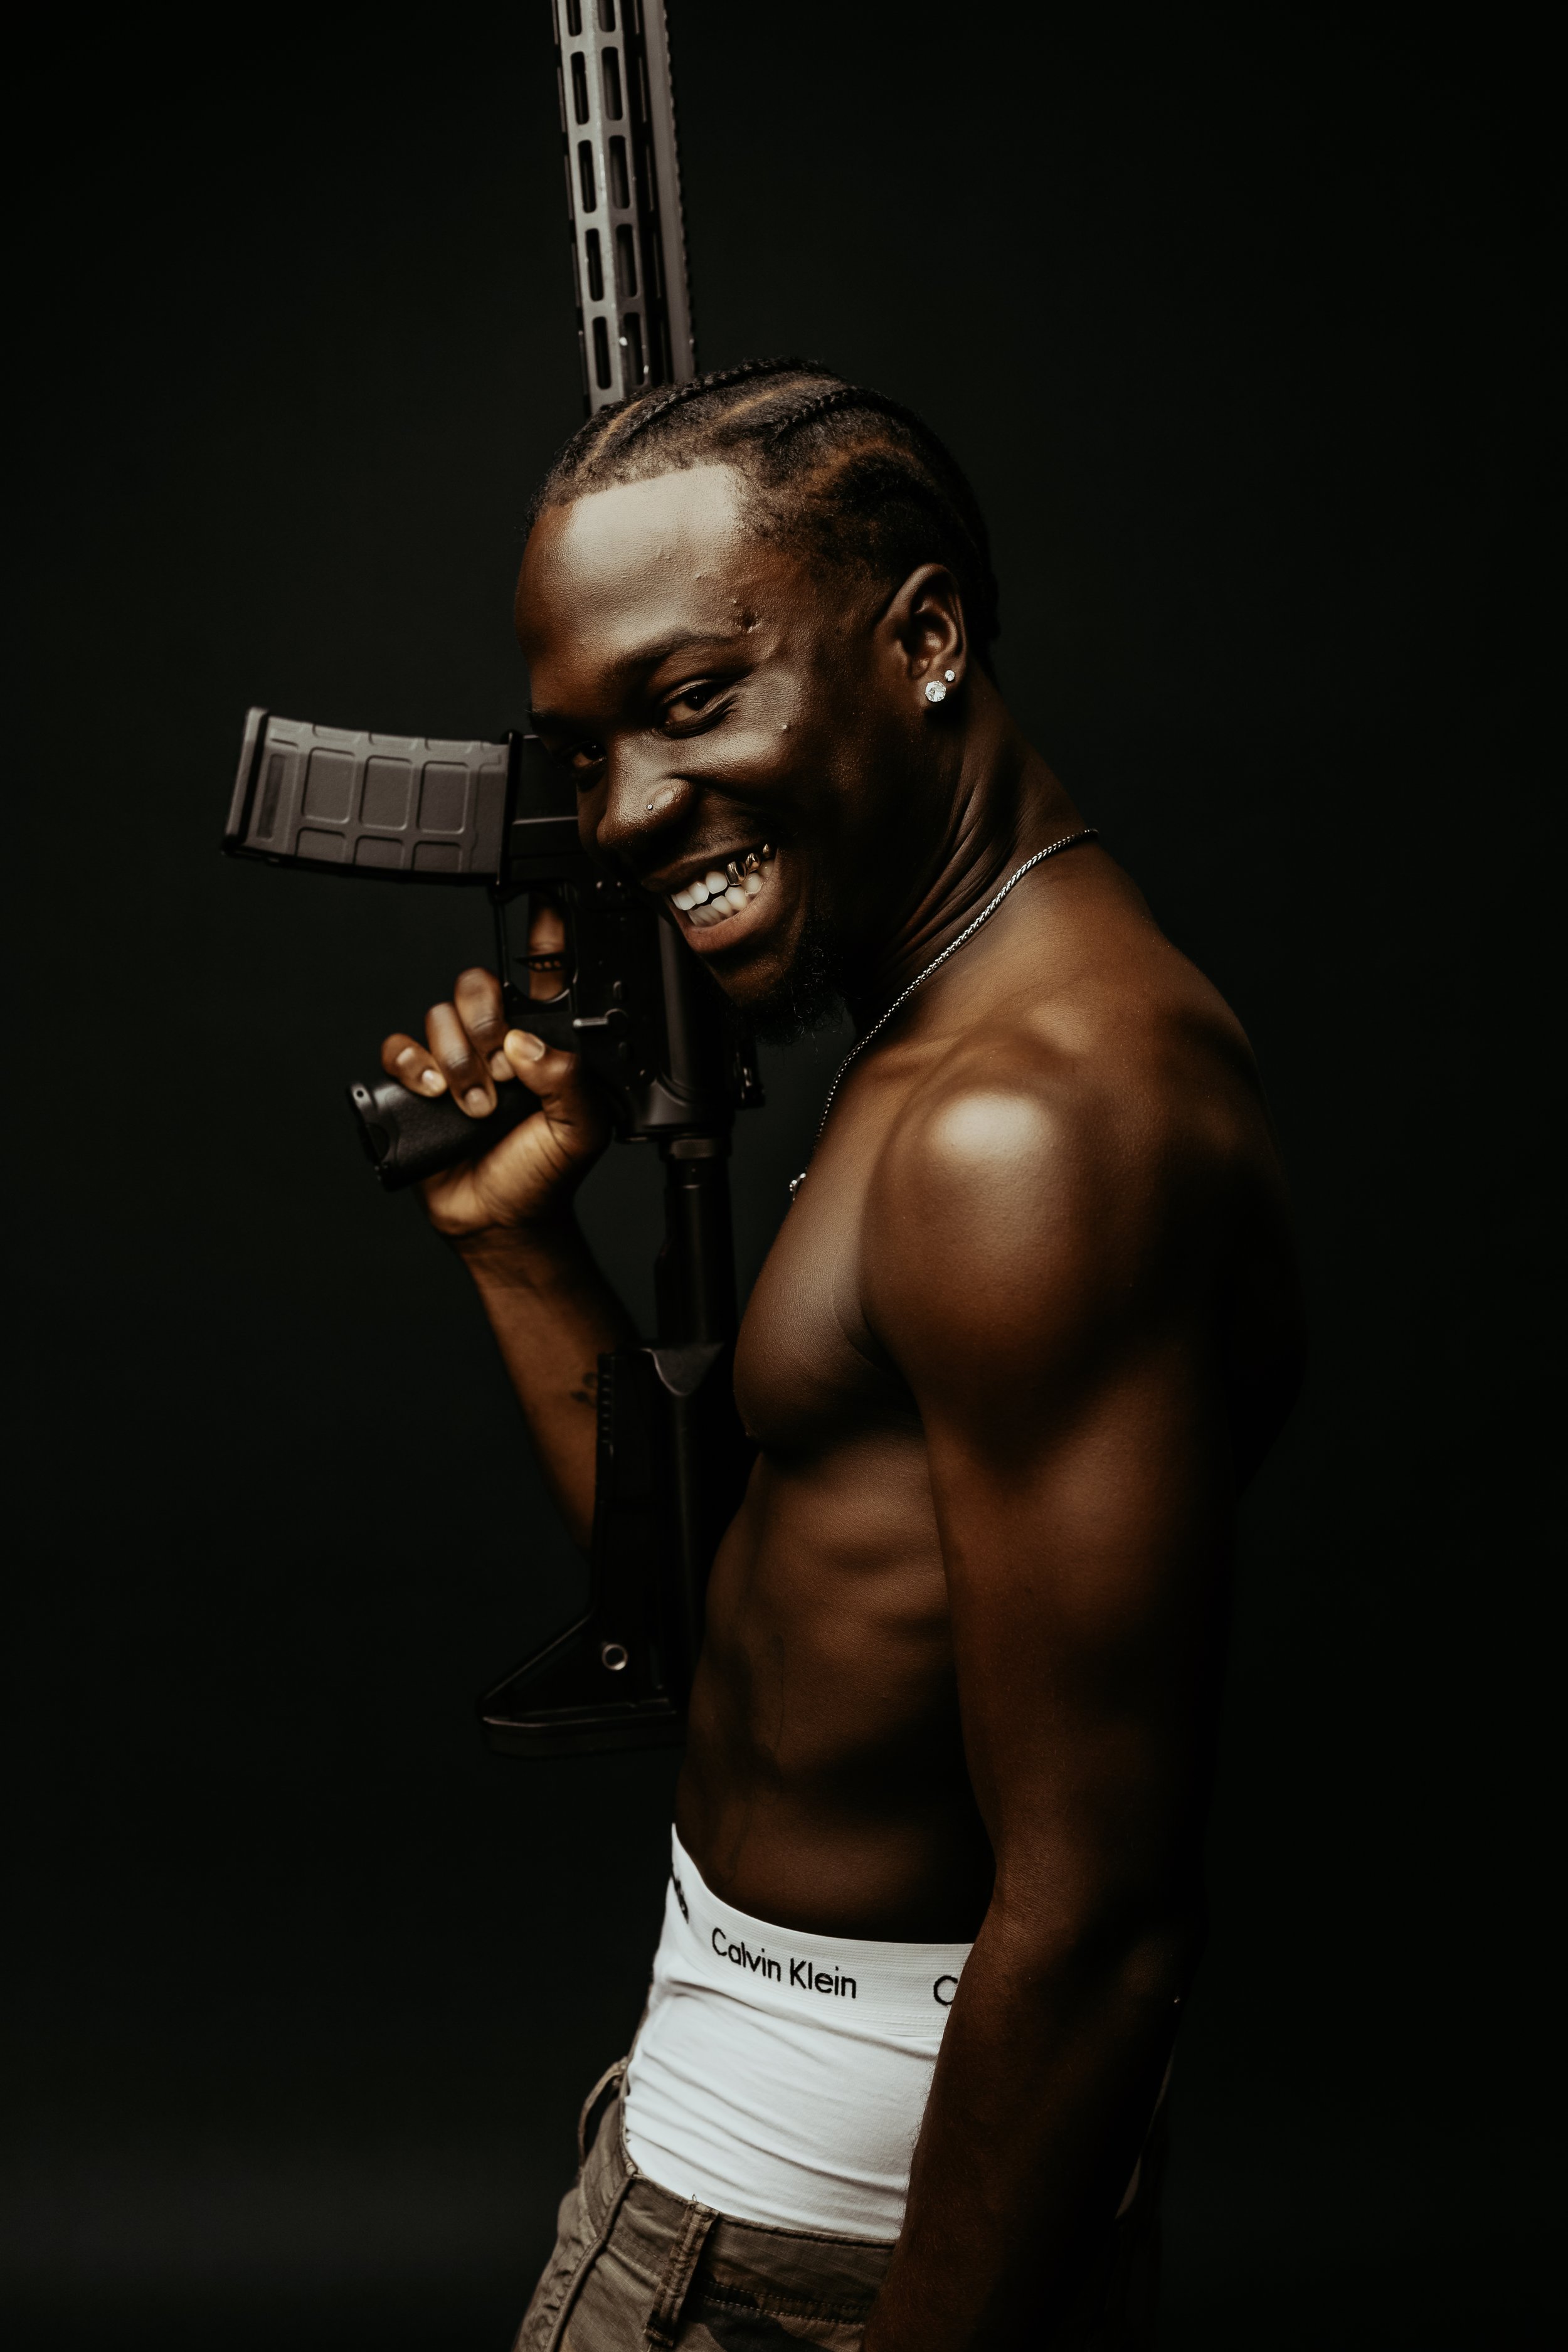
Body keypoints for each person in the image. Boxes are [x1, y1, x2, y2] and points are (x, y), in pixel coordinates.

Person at [377, 360, 1303, 2349]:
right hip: (735, 2164)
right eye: (587, 745)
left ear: (929, 635)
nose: (624, 815)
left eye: (695, 701)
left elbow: (1104, 1907)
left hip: (818, 2256)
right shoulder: (947, 1036)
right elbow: (741, 1654)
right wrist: (518, 1246)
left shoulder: (1029, 1122)